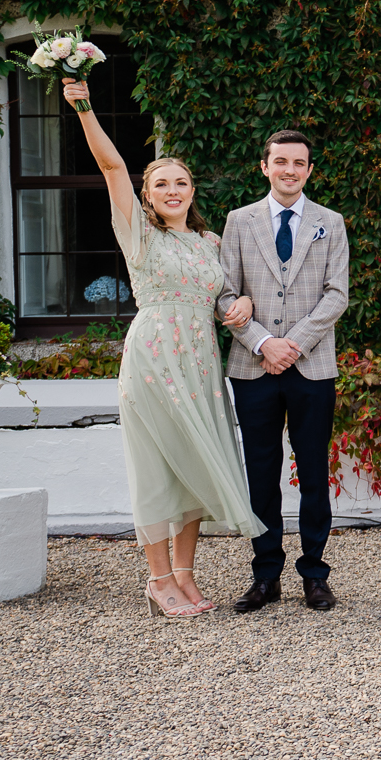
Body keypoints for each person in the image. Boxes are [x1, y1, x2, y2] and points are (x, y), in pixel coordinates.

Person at [60, 79, 264, 618]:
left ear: (192, 191)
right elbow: (109, 168)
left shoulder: (209, 242)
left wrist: (238, 302)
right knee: (154, 467)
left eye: (182, 183)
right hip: (153, 358)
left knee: (194, 461)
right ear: (147, 194)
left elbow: (224, 295)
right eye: (161, 184)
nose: (173, 190)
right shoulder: (139, 234)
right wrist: (83, 106)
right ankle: (156, 580)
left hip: (200, 362)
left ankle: (185, 575)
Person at [214, 131, 351, 612]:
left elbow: (337, 294)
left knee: (313, 470)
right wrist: (262, 342)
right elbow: (225, 294)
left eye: (299, 163)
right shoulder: (239, 221)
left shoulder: (330, 223)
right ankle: (265, 574)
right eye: (281, 162)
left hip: (311, 365)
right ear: (264, 166)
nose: (290, 170)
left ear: (309, 170)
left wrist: (292, 345)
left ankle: (315, 572)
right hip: (253, 367)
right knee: (261, 473)